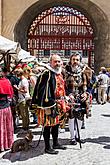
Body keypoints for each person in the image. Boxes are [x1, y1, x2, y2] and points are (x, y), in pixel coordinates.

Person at [31, 54, 67, 154]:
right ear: (50, 62)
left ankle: (55, 143)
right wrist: (47, 106)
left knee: (56, 125)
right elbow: (42, 90)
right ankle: (47, 147)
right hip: (49, 105)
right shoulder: (47, 73)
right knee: (47, 125)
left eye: (59, 61)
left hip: (59, 103)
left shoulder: (59, 73)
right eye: (55, 61)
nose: (57, 63)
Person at [65, 53, 91, 145]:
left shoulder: (85, 71)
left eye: (77, 60)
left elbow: (89, 85)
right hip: (70, 98)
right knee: (71, 117)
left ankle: (77, 136)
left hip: (81, 98)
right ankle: (72, 137)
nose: (75, 61)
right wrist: (68, 94)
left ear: (80, 61)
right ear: (70, 60)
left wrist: (86, 93)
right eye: (73, 59)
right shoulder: (65, 71)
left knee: (80, 117)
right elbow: (63, 86)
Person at [0, 68, 14, 152]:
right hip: (6, 107)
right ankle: (8, 144)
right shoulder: (7, 81)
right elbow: (11, 94)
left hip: (1, 108)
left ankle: (1, 145)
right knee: (7, 126)